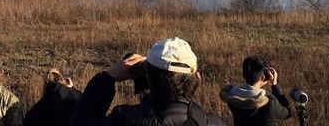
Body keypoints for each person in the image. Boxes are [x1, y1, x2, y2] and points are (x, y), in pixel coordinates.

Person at [70, 37, 227, 125]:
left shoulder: (125, 119)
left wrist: (107, 76)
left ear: (147, 76)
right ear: (197, 79)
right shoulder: (215, 123)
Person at [220, 56, 291, 126]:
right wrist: (275, 85)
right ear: (263, 77)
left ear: (244, 75)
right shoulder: (269, 102)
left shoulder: (232, 95)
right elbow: (287, 113)